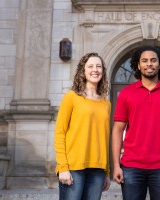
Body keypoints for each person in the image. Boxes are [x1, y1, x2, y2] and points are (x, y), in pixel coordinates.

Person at [112, 45, 160, 200]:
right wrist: (116, 165)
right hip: (131, 166)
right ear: (138, 65)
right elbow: (117, 130)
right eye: (145, 61)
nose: (149, 64)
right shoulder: (126, 94)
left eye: (153, 60)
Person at [54, 52, 111, 200]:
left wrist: (106, 172)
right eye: (90, 66)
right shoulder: (71, 97)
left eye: (99, 66)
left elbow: (105, 137)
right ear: (83, 71)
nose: (95, 70)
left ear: (103, 72)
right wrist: (63, 168)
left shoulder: (106, 103)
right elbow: (60, 133)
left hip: (98, 169)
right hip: (74, 167)